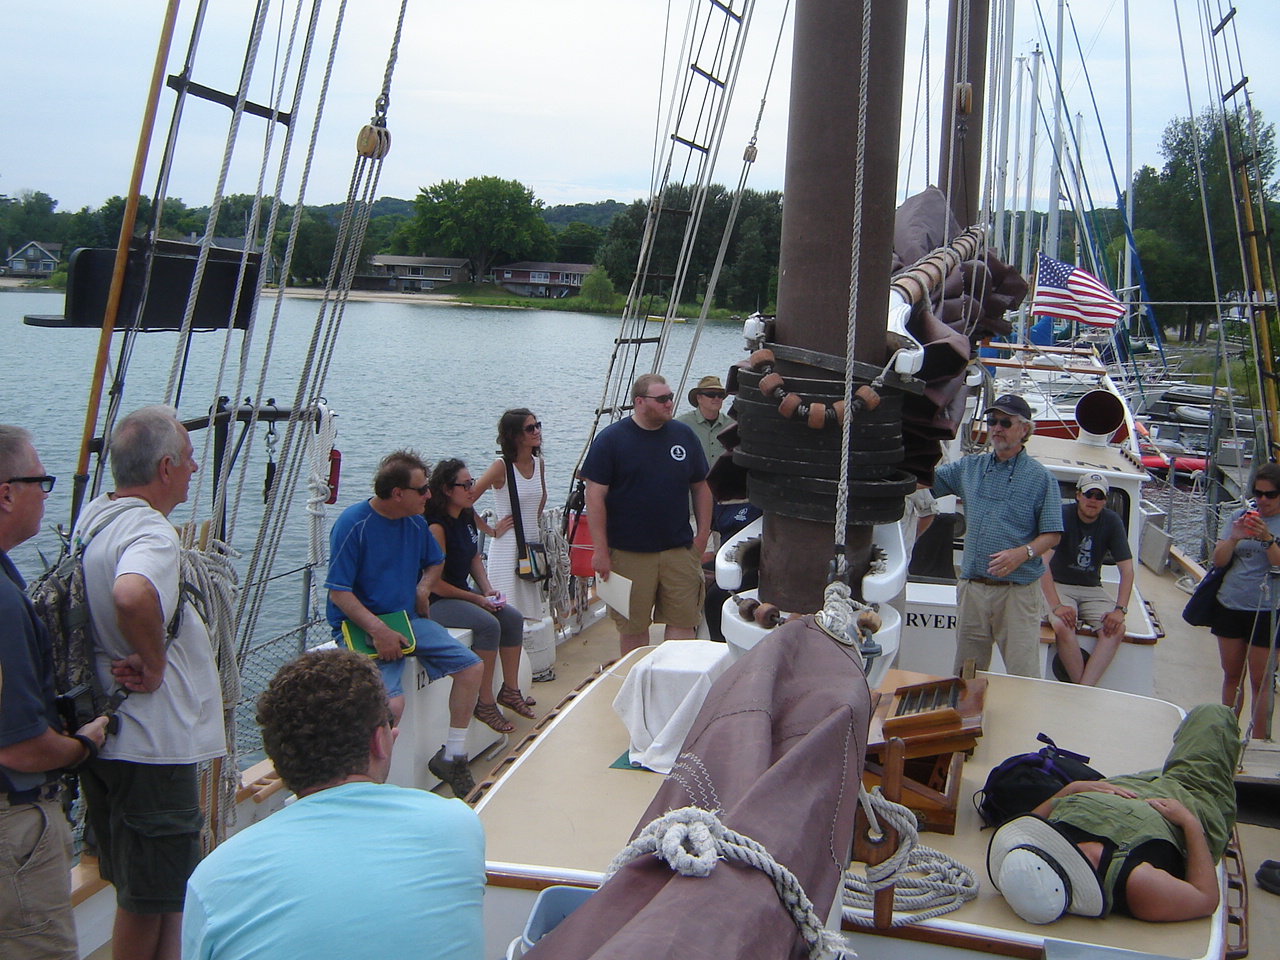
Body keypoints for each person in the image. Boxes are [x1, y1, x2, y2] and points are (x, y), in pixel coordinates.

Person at [180, 649, 485, 960]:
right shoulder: (457, 824)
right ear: (379, 741)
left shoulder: (213, 879)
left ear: (279, 757)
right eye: (388, 723)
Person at [75, 406, 226, 960]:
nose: (192, 471)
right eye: (187, 462)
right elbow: (132, 594)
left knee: (161, 896)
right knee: (146, 902)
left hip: (116, 740)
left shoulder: (96, 519)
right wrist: (155, 663)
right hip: (152, 749)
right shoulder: (151, 533)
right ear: (164, 467)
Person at [0, 427, 109, 960]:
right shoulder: (3, 601)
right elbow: (19, 747)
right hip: (13, 833)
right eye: (39, 481)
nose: (46, 493)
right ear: (6, 493)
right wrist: (81, 745)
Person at [987, 703, 1241, 924]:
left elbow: (1024, 824)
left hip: (1129, 786)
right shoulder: (1136, 883)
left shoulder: (1032, 850)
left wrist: (1071, 789)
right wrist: (1189, 822)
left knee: (1198, 735)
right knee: (1212, 717)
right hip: (1190, 798)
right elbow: (1205, 899)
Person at [326, 449, 485, 799]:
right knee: (391, 706)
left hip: (407, 619)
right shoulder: (353, 524)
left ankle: (453, 756)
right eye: (422, 490)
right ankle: (374, 790)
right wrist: (377, 630)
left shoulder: (415, 522)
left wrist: (423, 588)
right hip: (361, 626)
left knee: (472, 668)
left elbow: (434, 561)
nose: (429, 496)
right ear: (397, 494)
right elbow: (339, 592)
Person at [931, 394, 1063, 677]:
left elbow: (1052, 534)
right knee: (967, 675)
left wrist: (1022, 553)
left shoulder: (1041, 478)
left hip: (1017, 595)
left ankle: (1021, 722)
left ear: (1024, 429)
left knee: (1023, 675)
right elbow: (927, 482)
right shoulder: (969, 468)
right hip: (973, 591)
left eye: (1005, 422)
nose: (996, 428)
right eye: (992, 421)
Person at [581, 373, 712, 657]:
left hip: (678, 550)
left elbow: (700, 487)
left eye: (670, 396)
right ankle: (636, 686)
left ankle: (675, 686)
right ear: (640, 402)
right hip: (628, 554)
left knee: (683, 623)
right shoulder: (611, 441)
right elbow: (594, 497)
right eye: (662, 398)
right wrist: (600, 551)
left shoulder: (683, 436)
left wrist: (702, 536)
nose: (669, 403)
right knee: (633, 627)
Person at [426, 458, 536, 734]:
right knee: (488, 625)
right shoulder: (436, 527)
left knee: (510, 617)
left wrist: (486, 588)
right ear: (446, 490)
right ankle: (484, 702)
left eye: (471, 483)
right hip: (436, 600)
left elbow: (473, 555)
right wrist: (476, 599)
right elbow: (435, 584)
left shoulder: (464, 515)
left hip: (460, 592)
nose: (471, 489)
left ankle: (510, 690)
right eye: (464, 485)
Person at [1039, 473, 1136, 685]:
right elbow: (1043, 563)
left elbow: (1127, 570)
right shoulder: (1062, 515)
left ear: (1105, 500)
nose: (1093, 500)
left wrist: (1120, 610)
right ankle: (1084, 691)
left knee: (1116, 629)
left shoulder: (1112, 522)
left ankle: (1083, 688)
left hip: (1092, 587)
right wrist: (1056, 607)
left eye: (1099, 496)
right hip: (1059, 584)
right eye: (1088, 494)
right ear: (1078, 496)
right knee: (1063, 625)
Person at [1207, 462, 1280, 739]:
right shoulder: (1240, 515)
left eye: (1270, 494)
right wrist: (1234, 538)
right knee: (1232, 675)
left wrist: (1267, 539)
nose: (1262, 500)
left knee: (1261, 681)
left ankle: (1259, 740)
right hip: (1231, 603)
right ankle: (1226, 738)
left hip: (1267, 608)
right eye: (1258, 493)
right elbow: (1218, 560)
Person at [473, 409, 548, 627]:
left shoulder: (538, 464)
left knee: (527, 616)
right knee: (508, 614)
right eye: (529, 428)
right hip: (507, 550)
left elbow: (540, 499)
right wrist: (490, 530)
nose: (536, 431)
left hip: (530, 548)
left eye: (537, 425)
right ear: (515, 435)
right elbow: (465, 501)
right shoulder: (501, 467)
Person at [676, 374, 731, 467]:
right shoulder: (681, 425)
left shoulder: (732, 426)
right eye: (711, 394)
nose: (716, 398)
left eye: (720, 395)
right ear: (699, 398)